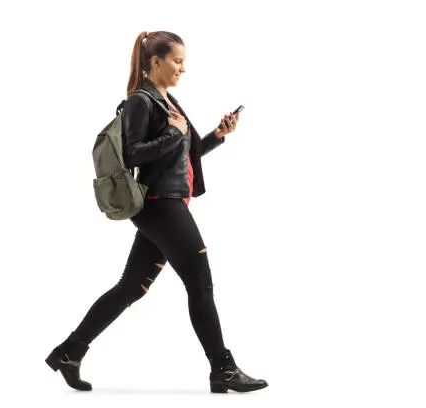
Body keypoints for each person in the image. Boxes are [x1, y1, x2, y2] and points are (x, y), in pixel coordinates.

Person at [45, 30, 268, 394]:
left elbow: (183, 152)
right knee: (200, 281)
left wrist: (217, 134)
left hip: (170, 203)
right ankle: (222, 369)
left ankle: (69, 352)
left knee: (130, 287)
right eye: (177, 61)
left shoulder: (170, 102)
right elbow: (132, 155)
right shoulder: (140, 101)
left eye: (183, 62)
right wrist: (172, 134)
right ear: (155, 62)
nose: (183, 68)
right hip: (158, 205)